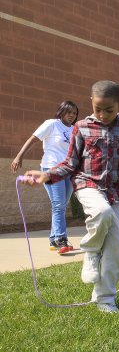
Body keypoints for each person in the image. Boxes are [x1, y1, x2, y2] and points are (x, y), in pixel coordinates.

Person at [22, 80, 119, 313]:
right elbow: (70, 163)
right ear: (91, 103)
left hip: (116, 193)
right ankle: (91, 252)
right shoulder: (82, 127)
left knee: (116, 248)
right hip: (88, 185)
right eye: (98, 109)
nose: (103, 115)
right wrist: (47, 176)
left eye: (109, 110)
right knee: (101, 213)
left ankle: (105, 299)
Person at [11, 101, 79, 254]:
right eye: (69, 112)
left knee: (61, 205)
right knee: (58, 205)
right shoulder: (51, 124)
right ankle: (61, 240)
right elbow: (33, 139)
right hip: (50, 168)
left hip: (67, 171)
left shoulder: (74, 129)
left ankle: (53, 238)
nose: (72, 115)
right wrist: (19, 157)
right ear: (61, 111)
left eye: (74, 113)